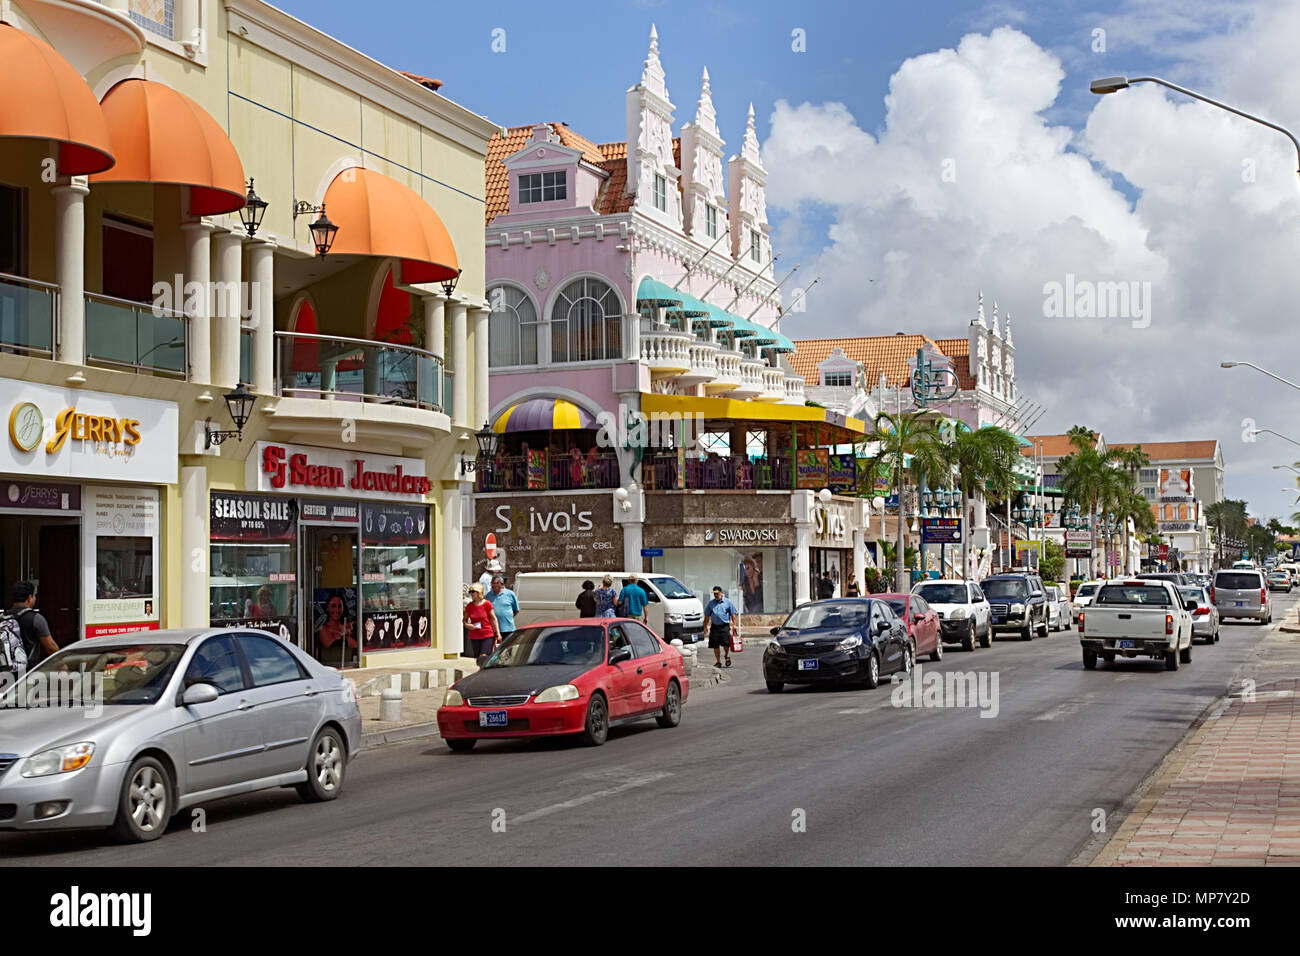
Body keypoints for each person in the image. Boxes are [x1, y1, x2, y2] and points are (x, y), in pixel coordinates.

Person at [7, 580, 57, 669]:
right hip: (27, 671)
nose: (35, 598)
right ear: (30, 597)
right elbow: (50, 647)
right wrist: (62, 664)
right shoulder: (35, 618)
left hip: (5, 671)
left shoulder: (3, 617)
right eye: (34, 595)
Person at [703, 585, 739, 668]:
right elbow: (707, 616)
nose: (716, 595)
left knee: (726, 643)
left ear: (721, 593)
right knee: (715, 645)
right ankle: (718, 661)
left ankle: (727, 655)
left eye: (717, 593)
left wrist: (735, 625)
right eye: (714, 594)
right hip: (715, 627)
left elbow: (733, 615)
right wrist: (705, 627)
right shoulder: (711, 603)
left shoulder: (728, 602)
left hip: (724, 626)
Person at [463, 584, 500, 660]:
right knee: (478, 658)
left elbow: (493, 619)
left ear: (479, 592)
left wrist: (498, 633)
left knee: (483, 656)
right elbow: (464, 620)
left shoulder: (487, 604)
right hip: (474, 635)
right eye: (470, 592)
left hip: (487, 634)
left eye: (473, 591)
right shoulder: (469, 606)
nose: (471, 593)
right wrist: (467, 625)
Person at [487, 575, 519, 645]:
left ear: (501, 584)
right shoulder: (488, 596)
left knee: (508, 651)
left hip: (508, 629)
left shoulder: (510, 594)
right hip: (493, 630)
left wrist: (507, 618)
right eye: (491, 583)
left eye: (494, 583)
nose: (492, 585)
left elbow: (516, 610)